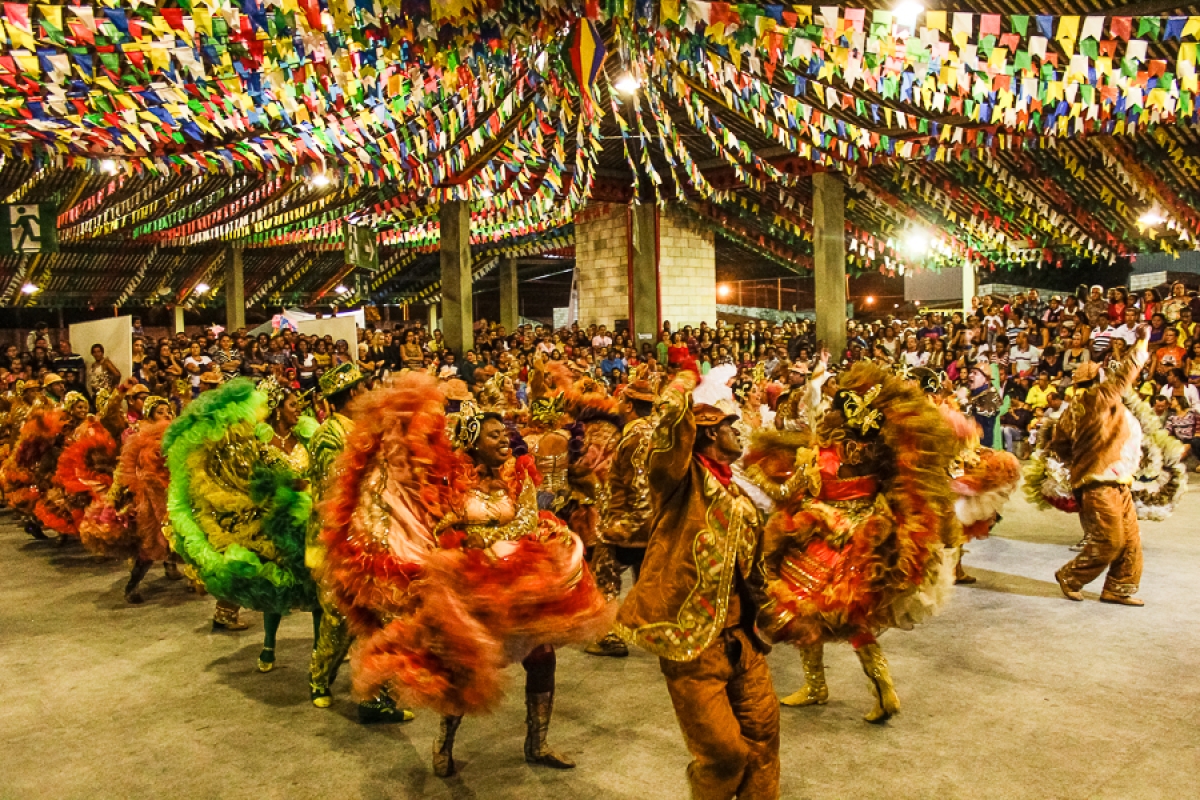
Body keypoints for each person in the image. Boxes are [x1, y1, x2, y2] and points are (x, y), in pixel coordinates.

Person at [319, 376, 611, 778]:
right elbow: (441, 524)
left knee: (543, 660)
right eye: (494, 436)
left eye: (506, 434)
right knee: (463, 667)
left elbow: (527, 518)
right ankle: (444, 743)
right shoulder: (454, 482)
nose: (504, 441)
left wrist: (497, 544)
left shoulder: (519, 474)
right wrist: (471, 545)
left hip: (518, 588)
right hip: (475, 591)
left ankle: (537, 742)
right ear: (473, 442)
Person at [617, 372, 780, 800]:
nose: (739, 430)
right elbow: (668, 441)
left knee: (764, 742)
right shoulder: (679, 481)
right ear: (707, 433)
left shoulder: (739, 488)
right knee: (723, 753)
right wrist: (681, 389)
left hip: (744, 639)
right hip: (693, 645)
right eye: (730, 425)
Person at [1053, 325, 1150, 607]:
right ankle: (1070, 576)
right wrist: (1142, 341)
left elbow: (1059, 443)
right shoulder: (1100, 397)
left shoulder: (1073, 407)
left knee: (1130, 540)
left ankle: (1118, 589)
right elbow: (1127, 372)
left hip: (1113, 480)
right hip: (1100, 482)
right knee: (1111, 540)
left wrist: (1077, 461)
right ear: (1098, 378)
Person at [586, 375, 658, 658]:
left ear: (628, 405)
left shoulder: (637, 436)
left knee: (604, 575)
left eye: (621, 400)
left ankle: (609, 636)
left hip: (632, 523)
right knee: (647, 577)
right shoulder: (657, 429)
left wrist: (623, 525)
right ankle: (652, 629)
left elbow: (640, 483)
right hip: (654, 522)